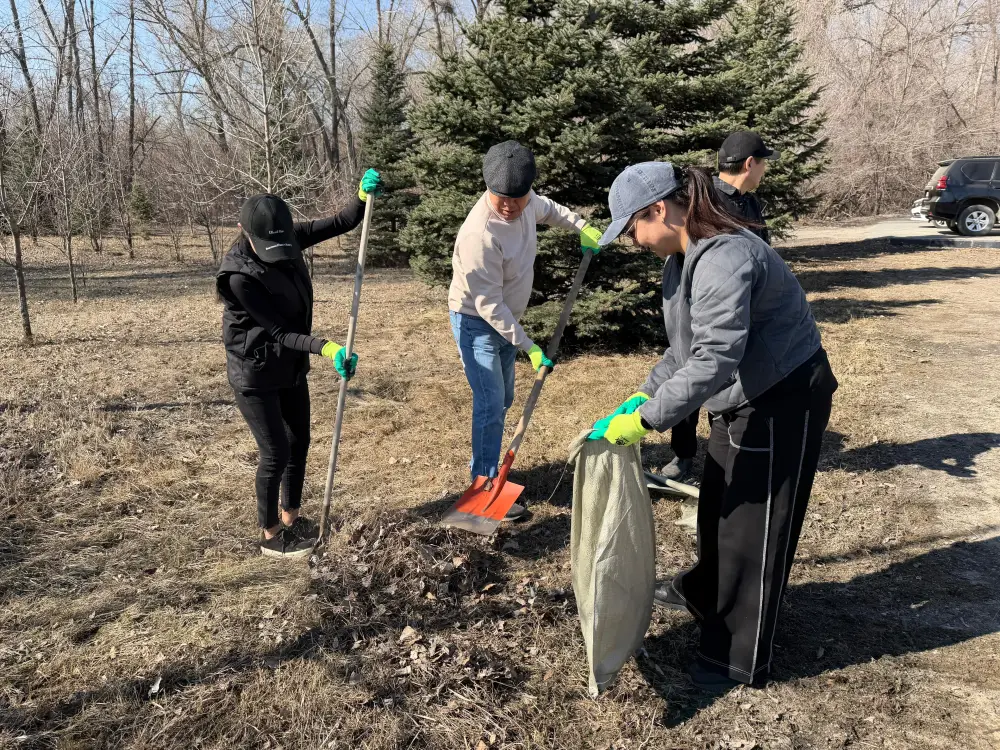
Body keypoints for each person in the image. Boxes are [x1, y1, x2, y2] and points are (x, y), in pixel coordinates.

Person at [590, 161, 837, 692]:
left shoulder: (726, 257)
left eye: (632, 228)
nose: (633, 241)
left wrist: (650, 419)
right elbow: (684, 350)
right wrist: (643, 393)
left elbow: (715, 358)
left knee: (754, 526)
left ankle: (736, 659)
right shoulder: (681, 261)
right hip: (741, 396)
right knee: (717, 505)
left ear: (659, 209)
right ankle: (705, 594)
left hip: (782, 394)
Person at [216, 169, 384, 559]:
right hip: (255, 370)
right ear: (245, 231)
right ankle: (270, 535)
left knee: (299, 442)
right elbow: (276, 332)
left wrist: (360, 196)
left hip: (289, 365)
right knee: (275, 452)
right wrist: (326, 349)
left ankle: (291, 517)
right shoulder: (239, 277)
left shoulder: (286, 237)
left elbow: (343, 222)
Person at [449, 141, 603, 519]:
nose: (509, 206)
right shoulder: (479, 234)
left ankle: (489, 472)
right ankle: (483, 487)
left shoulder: (529, 202)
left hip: (506, 321)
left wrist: (582, 227)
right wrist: (529, 346)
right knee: (490, 406)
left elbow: (550, 210)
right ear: (489, 188)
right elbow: (488, 306)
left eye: (516, 199)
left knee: (501, 402)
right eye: (500, 198)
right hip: (477, 321)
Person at [657, 132, 780, 483]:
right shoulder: (706, 198)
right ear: (749, 164)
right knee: (692, 367)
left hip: (740, 308)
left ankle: (722, 445)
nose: (765, 170)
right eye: (764, 162)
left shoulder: (750, 203)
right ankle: (682, 455)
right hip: (702, 302)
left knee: (721, 376)